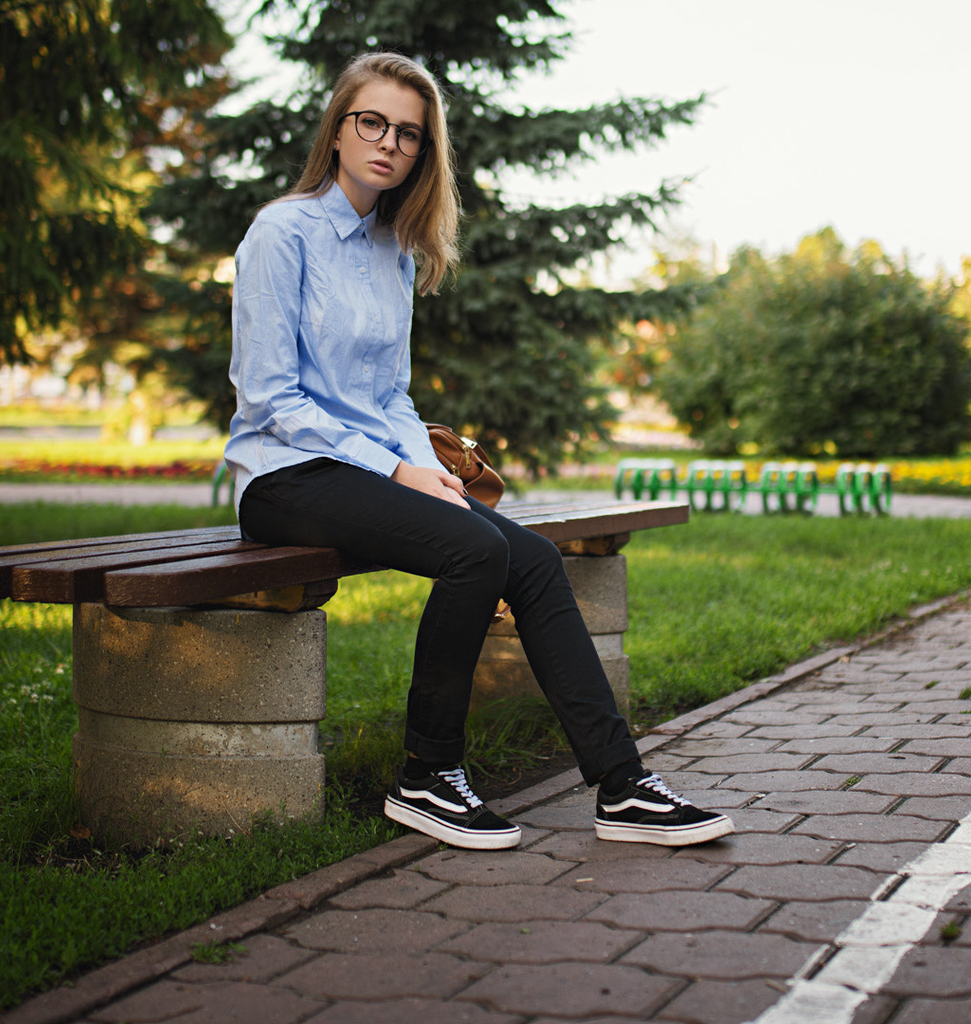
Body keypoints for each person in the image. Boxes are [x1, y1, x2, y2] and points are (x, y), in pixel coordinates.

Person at [224, 52, 734, 851]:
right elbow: (268, 398)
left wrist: (417, 465)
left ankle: (623, 786)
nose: (388, 142)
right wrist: (395, 468)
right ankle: (427, 775)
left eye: (409, 134)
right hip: (283, 475)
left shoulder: (393, 248)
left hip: (366, 470)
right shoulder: (281, 233)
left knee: (526, 556)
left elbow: (391, 395)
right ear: (340, 127)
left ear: (425, 152)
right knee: (472, 550)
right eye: (373, 123)